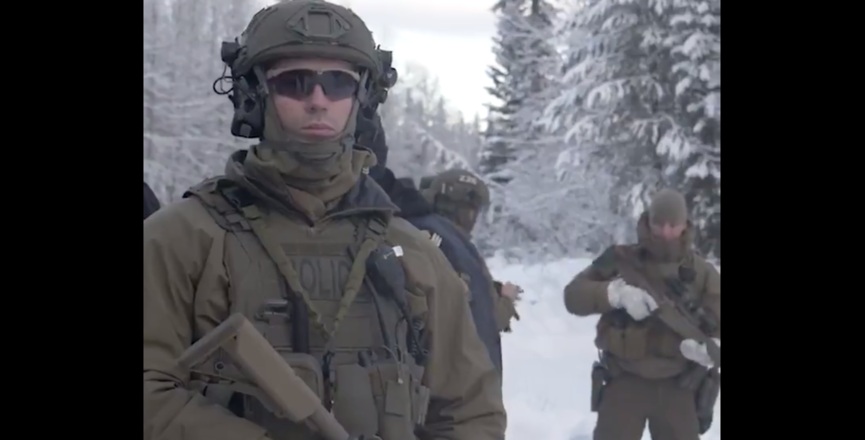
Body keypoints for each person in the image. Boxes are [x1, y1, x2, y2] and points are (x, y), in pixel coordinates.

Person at [143, 2, 506, 440]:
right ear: (254, 95)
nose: (318, 100)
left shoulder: (413, 254)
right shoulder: (181, 240)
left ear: (363, 99)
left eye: (338, 83)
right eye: (294, 83)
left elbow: (471, 412)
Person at [563, 189, 721, 440]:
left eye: (673, 225)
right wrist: (615, 295)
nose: (666, 233)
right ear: (648, 222)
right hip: (624, 381)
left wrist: (709, 349)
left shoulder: (703, 273)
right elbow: (572, 296)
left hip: (678, 386)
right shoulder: (620, 260)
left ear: (685, 225)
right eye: (659, 224)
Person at [359, 113, 505, 372]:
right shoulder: (428, 235)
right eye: (464, 208)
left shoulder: (413, 232)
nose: (469, 217)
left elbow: (463, 311)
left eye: (473, 209)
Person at [421, 169, 521, 335]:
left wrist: (491, 290)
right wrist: (506, 301)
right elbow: (483, 319)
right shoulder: (452, 245)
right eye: (472, 210)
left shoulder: (418, 233)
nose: (474, 219)